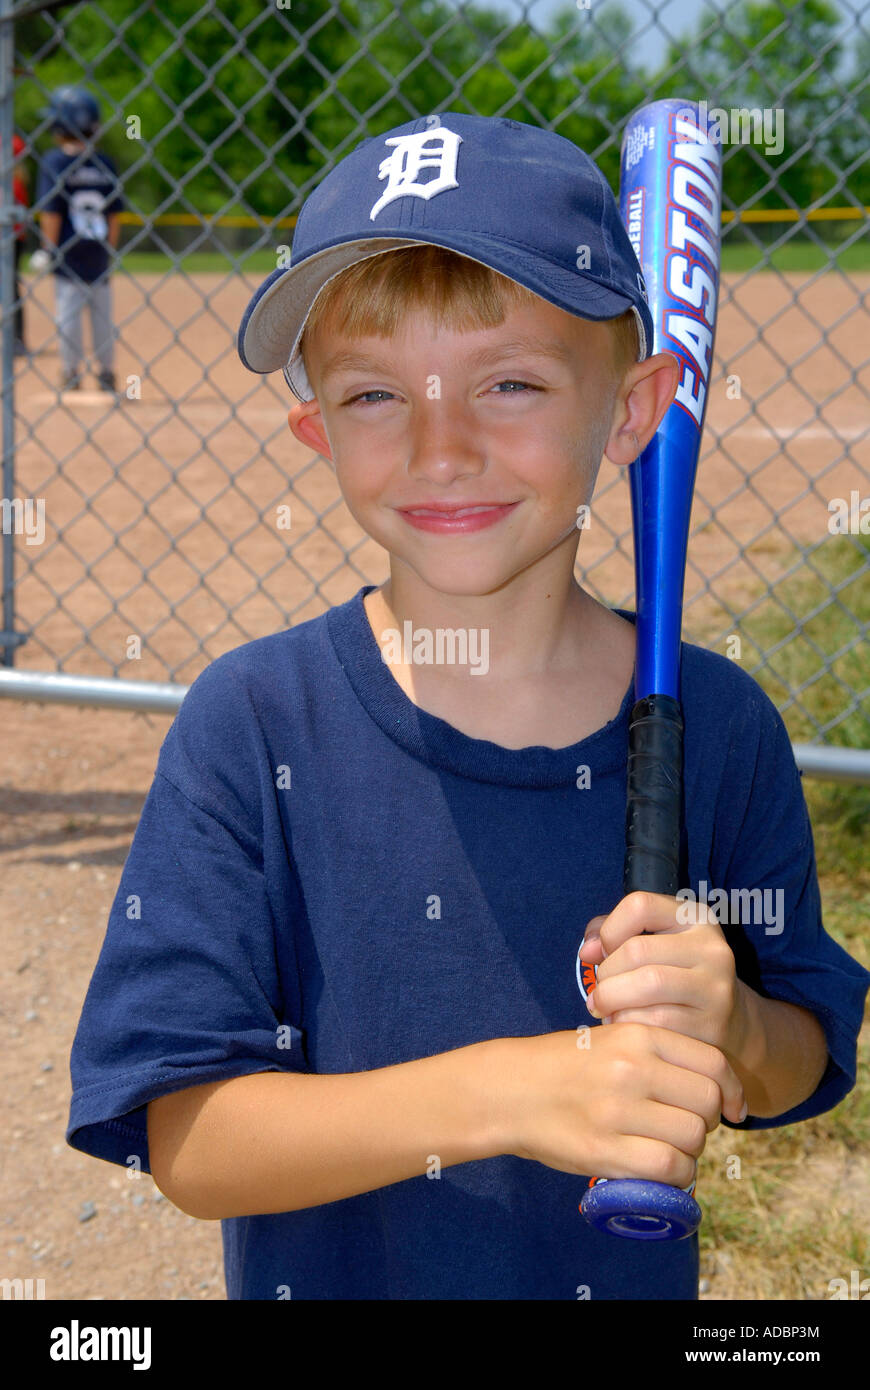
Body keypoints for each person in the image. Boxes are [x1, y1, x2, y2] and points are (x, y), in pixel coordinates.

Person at [65, 113, 869, 1300]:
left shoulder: (718, 721)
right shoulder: (252, 723)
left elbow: (804, 1051)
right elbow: (190, 1141)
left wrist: (735, 1024)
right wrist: (510, 1091)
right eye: (377, 395)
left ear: (639, 409)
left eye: (510, 382)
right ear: (315, 428)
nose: (443, 449)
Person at [35, 85, 122, 394]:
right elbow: (114, 215)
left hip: (68, 255)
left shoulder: (55, 162)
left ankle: (71, 372)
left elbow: (51, 212)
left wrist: (48, 249)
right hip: (98, 252)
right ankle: (106, 373)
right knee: (102, 317)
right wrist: (108, 249)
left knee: (68, 316)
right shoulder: (106, 163)